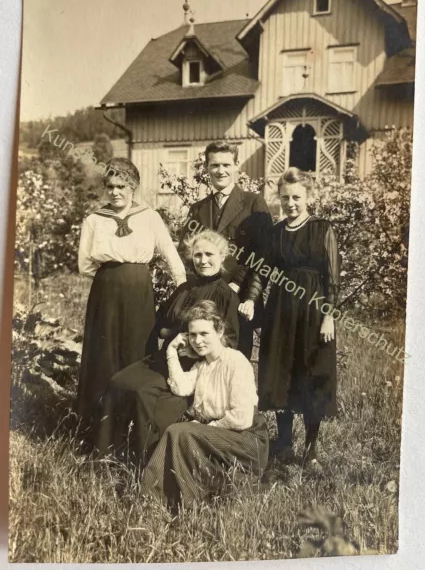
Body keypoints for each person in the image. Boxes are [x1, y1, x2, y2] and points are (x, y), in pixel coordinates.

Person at [96, 229, 245, 463]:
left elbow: (230, 343)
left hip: (193, 366)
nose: (203, 261)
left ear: (222, 256)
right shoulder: (184, 289)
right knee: (118, 382)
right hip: (165, 356)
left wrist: (190, 344)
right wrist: (171, 336)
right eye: (197, 255)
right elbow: (161, 324)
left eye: (209, 255)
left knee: (143, 393)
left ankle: (146, 462)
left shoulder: (227, 296)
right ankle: (107, 454)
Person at [77, 157, 186, 434]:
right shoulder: (94, 220)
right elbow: (85, 264)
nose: (115, 192)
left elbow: (170, 254)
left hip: (138, 291)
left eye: (121, 186)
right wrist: (111, 275)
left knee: (137, 348)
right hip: (106, 291)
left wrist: (182, 287)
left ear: (133, 187)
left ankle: (134, 422)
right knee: (104, 352)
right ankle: (98, 424)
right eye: (110, 186)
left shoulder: (149, 217)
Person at [140, 300, 269, 509]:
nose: (197, 341)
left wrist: (205, 428)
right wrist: (172, 351)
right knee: (178, 432)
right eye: (192, 335)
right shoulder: (201, 366)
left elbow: (241, 418)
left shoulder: (235, 362)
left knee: (181, 432)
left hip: (246, 439)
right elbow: (181, 388)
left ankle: (172, 500)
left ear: (219, 331)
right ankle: (155, 497)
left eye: (204, 334)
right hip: (221, 435)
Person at [258, 167, 340, 463]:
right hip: (280, 311)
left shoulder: (322, 228)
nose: (290, 203)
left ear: (308, 196)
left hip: (313, 311)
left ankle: (311, 448)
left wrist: (329, 316)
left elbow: (332, 277)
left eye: (296, 197)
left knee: (311, 372)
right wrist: (251, 301)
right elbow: (262, 271)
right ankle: (284, 443)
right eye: (285, 198)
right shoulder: (276, 233)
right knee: (281, 373)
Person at [179, 141, 272, 359]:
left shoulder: (253, 203)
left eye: (226, 165)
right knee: (201, 363)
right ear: (207, 168)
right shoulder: (197, 209)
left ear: (236, 166)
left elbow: (264, 256)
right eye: (214, 165)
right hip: (205, 299)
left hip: (239, 299)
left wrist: (246, 293)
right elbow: (186, 254)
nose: (221, 171)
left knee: (236, 363)